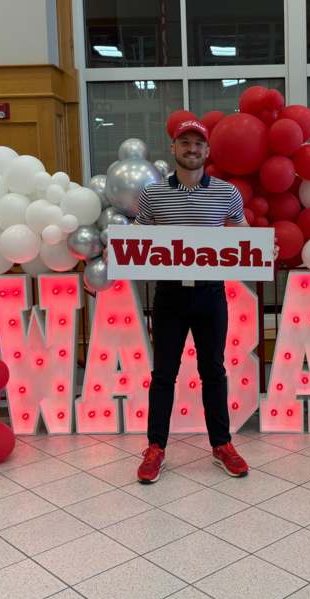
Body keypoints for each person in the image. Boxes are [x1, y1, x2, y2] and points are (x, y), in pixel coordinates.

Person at [134, 119, 250, 484]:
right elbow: (140, 237)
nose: (192, 149)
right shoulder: (152, 195)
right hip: (169, 295)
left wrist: (265, 248)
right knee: (163, 374)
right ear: (173, 148)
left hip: (210, 293)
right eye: (184, 142)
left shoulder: (227, 193)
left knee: (213, 371)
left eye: (198, 143)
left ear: (207, 151)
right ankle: (155, 447)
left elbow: (242, 234)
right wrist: (121, 243)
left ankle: (221, 445)